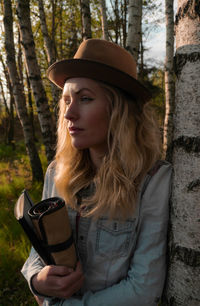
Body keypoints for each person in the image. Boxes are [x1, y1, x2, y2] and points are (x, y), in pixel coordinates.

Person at [21, 38, 172, 306]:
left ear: (118, 110)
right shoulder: (57, 172)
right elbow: (39, 249)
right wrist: (37, 279)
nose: (69, 113)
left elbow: (145, 289)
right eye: (66, 100)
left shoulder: (153, 181)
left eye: (85, 98)